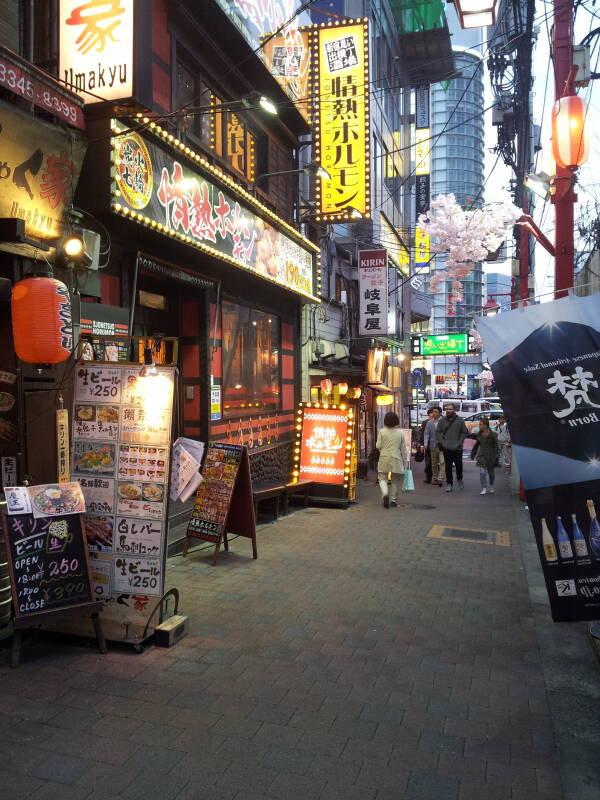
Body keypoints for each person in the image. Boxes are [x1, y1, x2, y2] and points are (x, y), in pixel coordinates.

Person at [376, 411, 407, 508]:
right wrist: (405, 463)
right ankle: (393, 500)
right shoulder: (400, 433)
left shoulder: (381, 431)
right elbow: (403, 449)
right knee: (395, 481)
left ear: (385, 421)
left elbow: (378, 445)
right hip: (396, 458)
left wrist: (383, 449)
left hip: (384, 457)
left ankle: (385, 494)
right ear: (396, 421)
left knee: (382, 478)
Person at [437, 402, 468, 492]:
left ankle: (459, 479)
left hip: (458, 448)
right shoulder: (442, 421)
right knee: (448, 467)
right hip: (447, 447)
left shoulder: (460, 420)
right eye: (446, 409)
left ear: (454, 410)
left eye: (450, 409)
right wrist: (443, 443)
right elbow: (438, 432)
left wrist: (460, 442)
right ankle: (449, 483)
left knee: (459, 464)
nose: (448, 411)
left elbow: (464, 432)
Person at [471, 417, 500, 495]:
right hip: (482, 456)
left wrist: (497, 455)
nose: (479, 426)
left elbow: (497, 446)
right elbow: (476, 445)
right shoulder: (479, 434)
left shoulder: (494, 434)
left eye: (480, 424)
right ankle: (484, 488)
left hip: (491, 456)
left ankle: (492, 485)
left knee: (491, 473)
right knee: (482, 472)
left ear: (485, 425)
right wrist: (473, 454)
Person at [423, 406, 444, 485]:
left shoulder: (444, 422)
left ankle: (440, 478)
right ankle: (435, 478)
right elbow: (426, 434)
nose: (434, 414)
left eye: (436, 412)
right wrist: (425, 443)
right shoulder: (429, 422)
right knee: (434, 464)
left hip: (442, 446)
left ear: (440, 413)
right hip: (432, 445)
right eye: (433, 412)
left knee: (442, 462)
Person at [418, 409, 434, 483]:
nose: (433, 415)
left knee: (435, 461)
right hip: (427, 445)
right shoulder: (425, 423)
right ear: (428, 415)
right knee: (428, 461)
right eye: (431, 414)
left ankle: (437, 476)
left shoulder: (440, 422)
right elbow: (422, 434)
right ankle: (428, 477)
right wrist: (421, 445)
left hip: (437, 445)